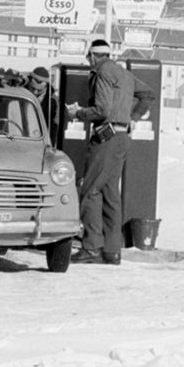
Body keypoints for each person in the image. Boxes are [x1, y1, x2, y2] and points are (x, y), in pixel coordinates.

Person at [69, 34, 140, 265]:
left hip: (105, 137)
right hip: (121, 137)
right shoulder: (126, 75)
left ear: (92, 56)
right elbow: (147, 95)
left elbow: (101, 109)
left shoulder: (101, 73)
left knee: (89, 191)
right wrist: (132, 117)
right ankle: (112, 250)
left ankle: (91, 248)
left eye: (88, 56)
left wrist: (78, 113)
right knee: (110, 193)